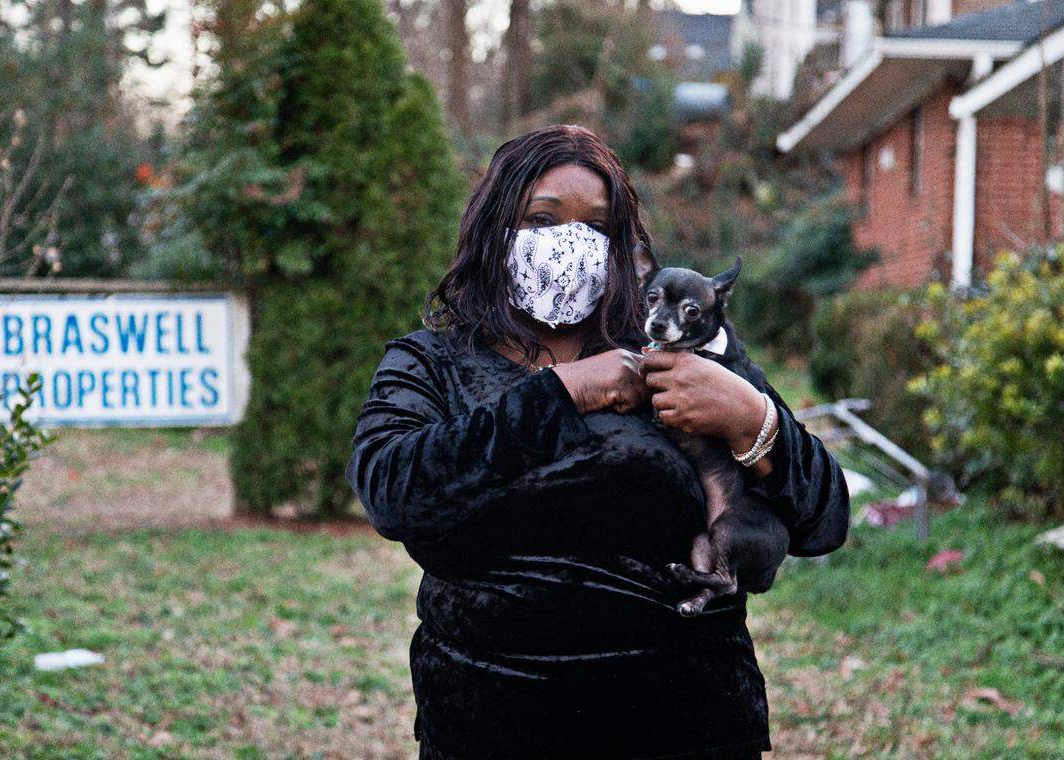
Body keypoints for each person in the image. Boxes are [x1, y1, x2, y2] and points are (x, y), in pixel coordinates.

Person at [345, 125, 849, 759]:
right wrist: (564, 393)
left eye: (598, 226)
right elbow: (393, 492)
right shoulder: (431, 365)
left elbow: (825, 519)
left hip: (686, 727)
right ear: (494, 228)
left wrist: (754, 422)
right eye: (543, 217)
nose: (571, 241)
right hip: (490, 725)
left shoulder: (678, 359)